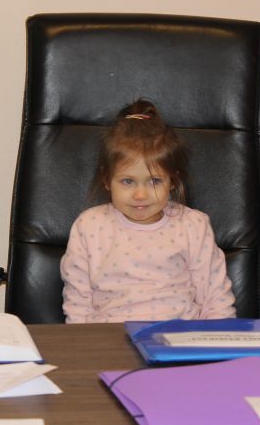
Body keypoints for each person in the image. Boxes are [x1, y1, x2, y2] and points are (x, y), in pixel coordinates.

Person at [60, 99, 236, 323]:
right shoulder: (89, 226)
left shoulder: (194, 226)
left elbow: (216, 299)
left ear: (172, 180)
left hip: (177, 335)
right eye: (127, 181)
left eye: (154, 181)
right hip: (110, 336)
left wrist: (219, 340)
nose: (140, 195)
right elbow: (78, 304)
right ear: (106, 179)